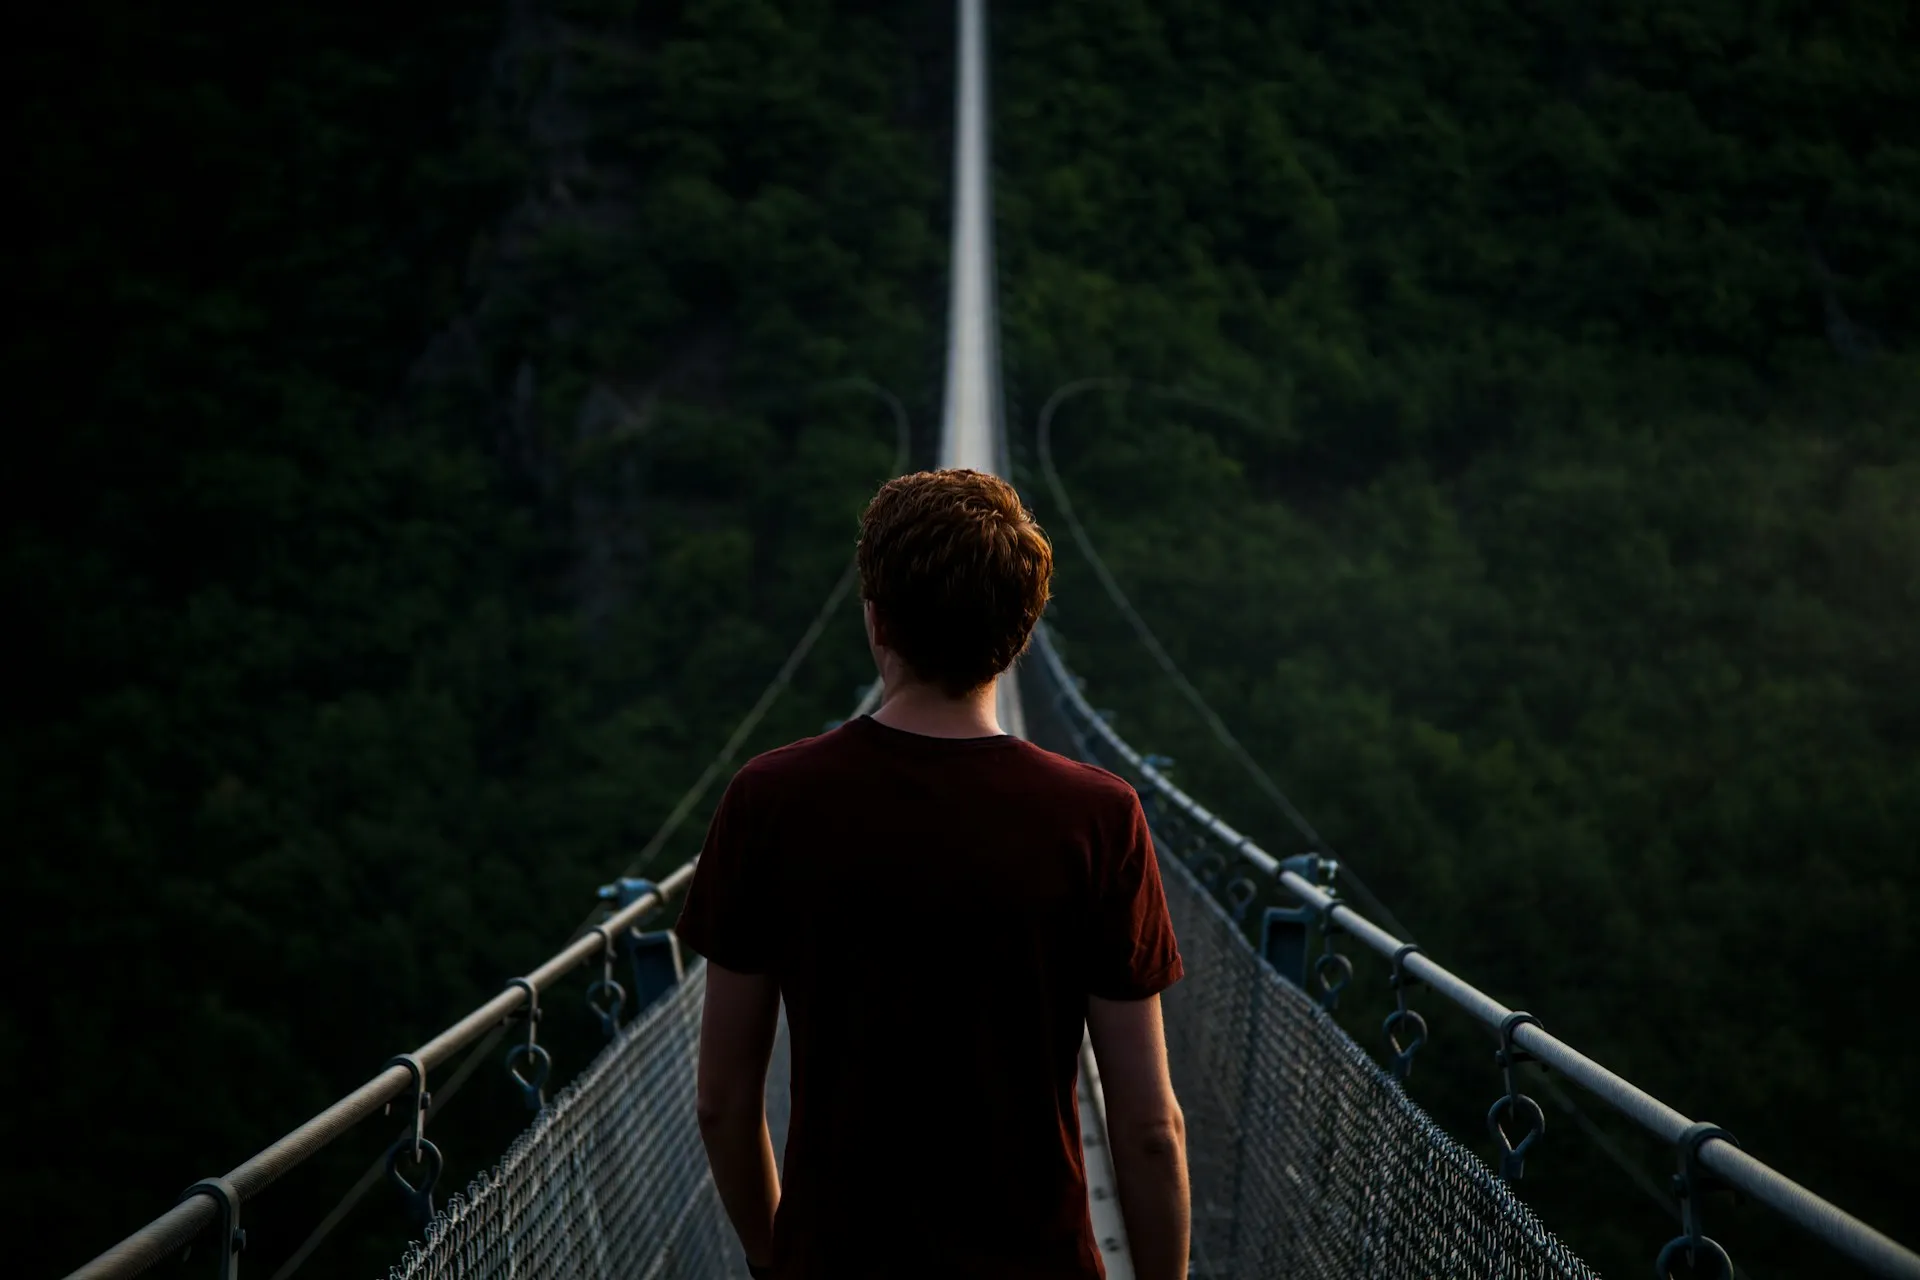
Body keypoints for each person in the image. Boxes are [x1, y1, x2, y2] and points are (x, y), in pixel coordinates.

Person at [675, 468, 1190, 1279]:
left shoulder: (767, 802)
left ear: (875, 618)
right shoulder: (1099, 818)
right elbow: (1149, 1127)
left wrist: (779, 1258)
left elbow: (721, 1103)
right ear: (1022, 632)